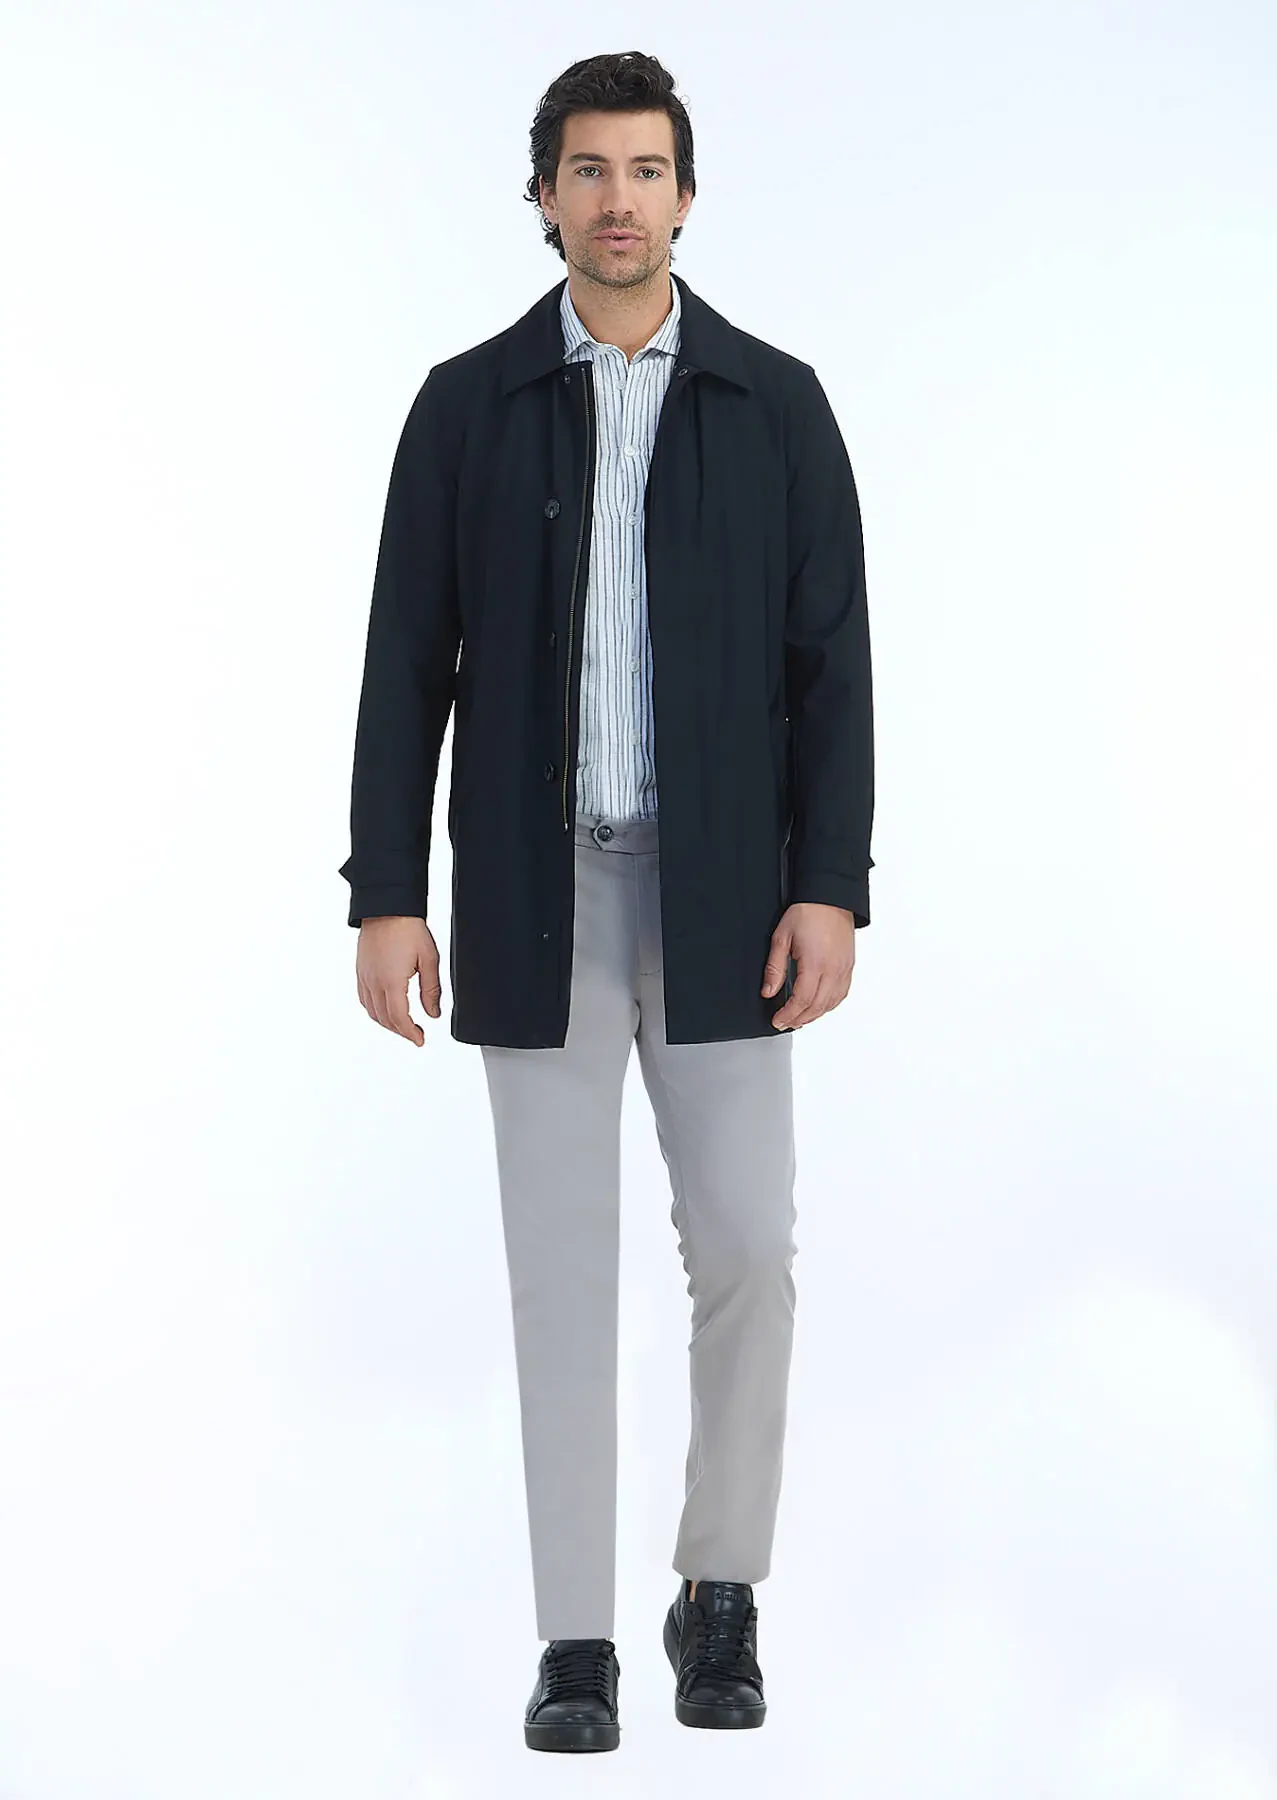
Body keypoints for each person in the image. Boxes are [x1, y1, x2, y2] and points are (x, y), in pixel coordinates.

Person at [338, 49, 874, 1754]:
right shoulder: (467, 407)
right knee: (559, 1278)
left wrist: (830, 888)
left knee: (749, 1251)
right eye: (589, 171)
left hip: (727, 904)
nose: (619, 201)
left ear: (686, 197)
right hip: (534, 890)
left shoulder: (777, 405)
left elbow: (831, 669)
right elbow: (405, 663)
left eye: (647, 171)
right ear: (545, 197)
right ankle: (576, 1644)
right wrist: (385, 892)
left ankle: (721, 1593)